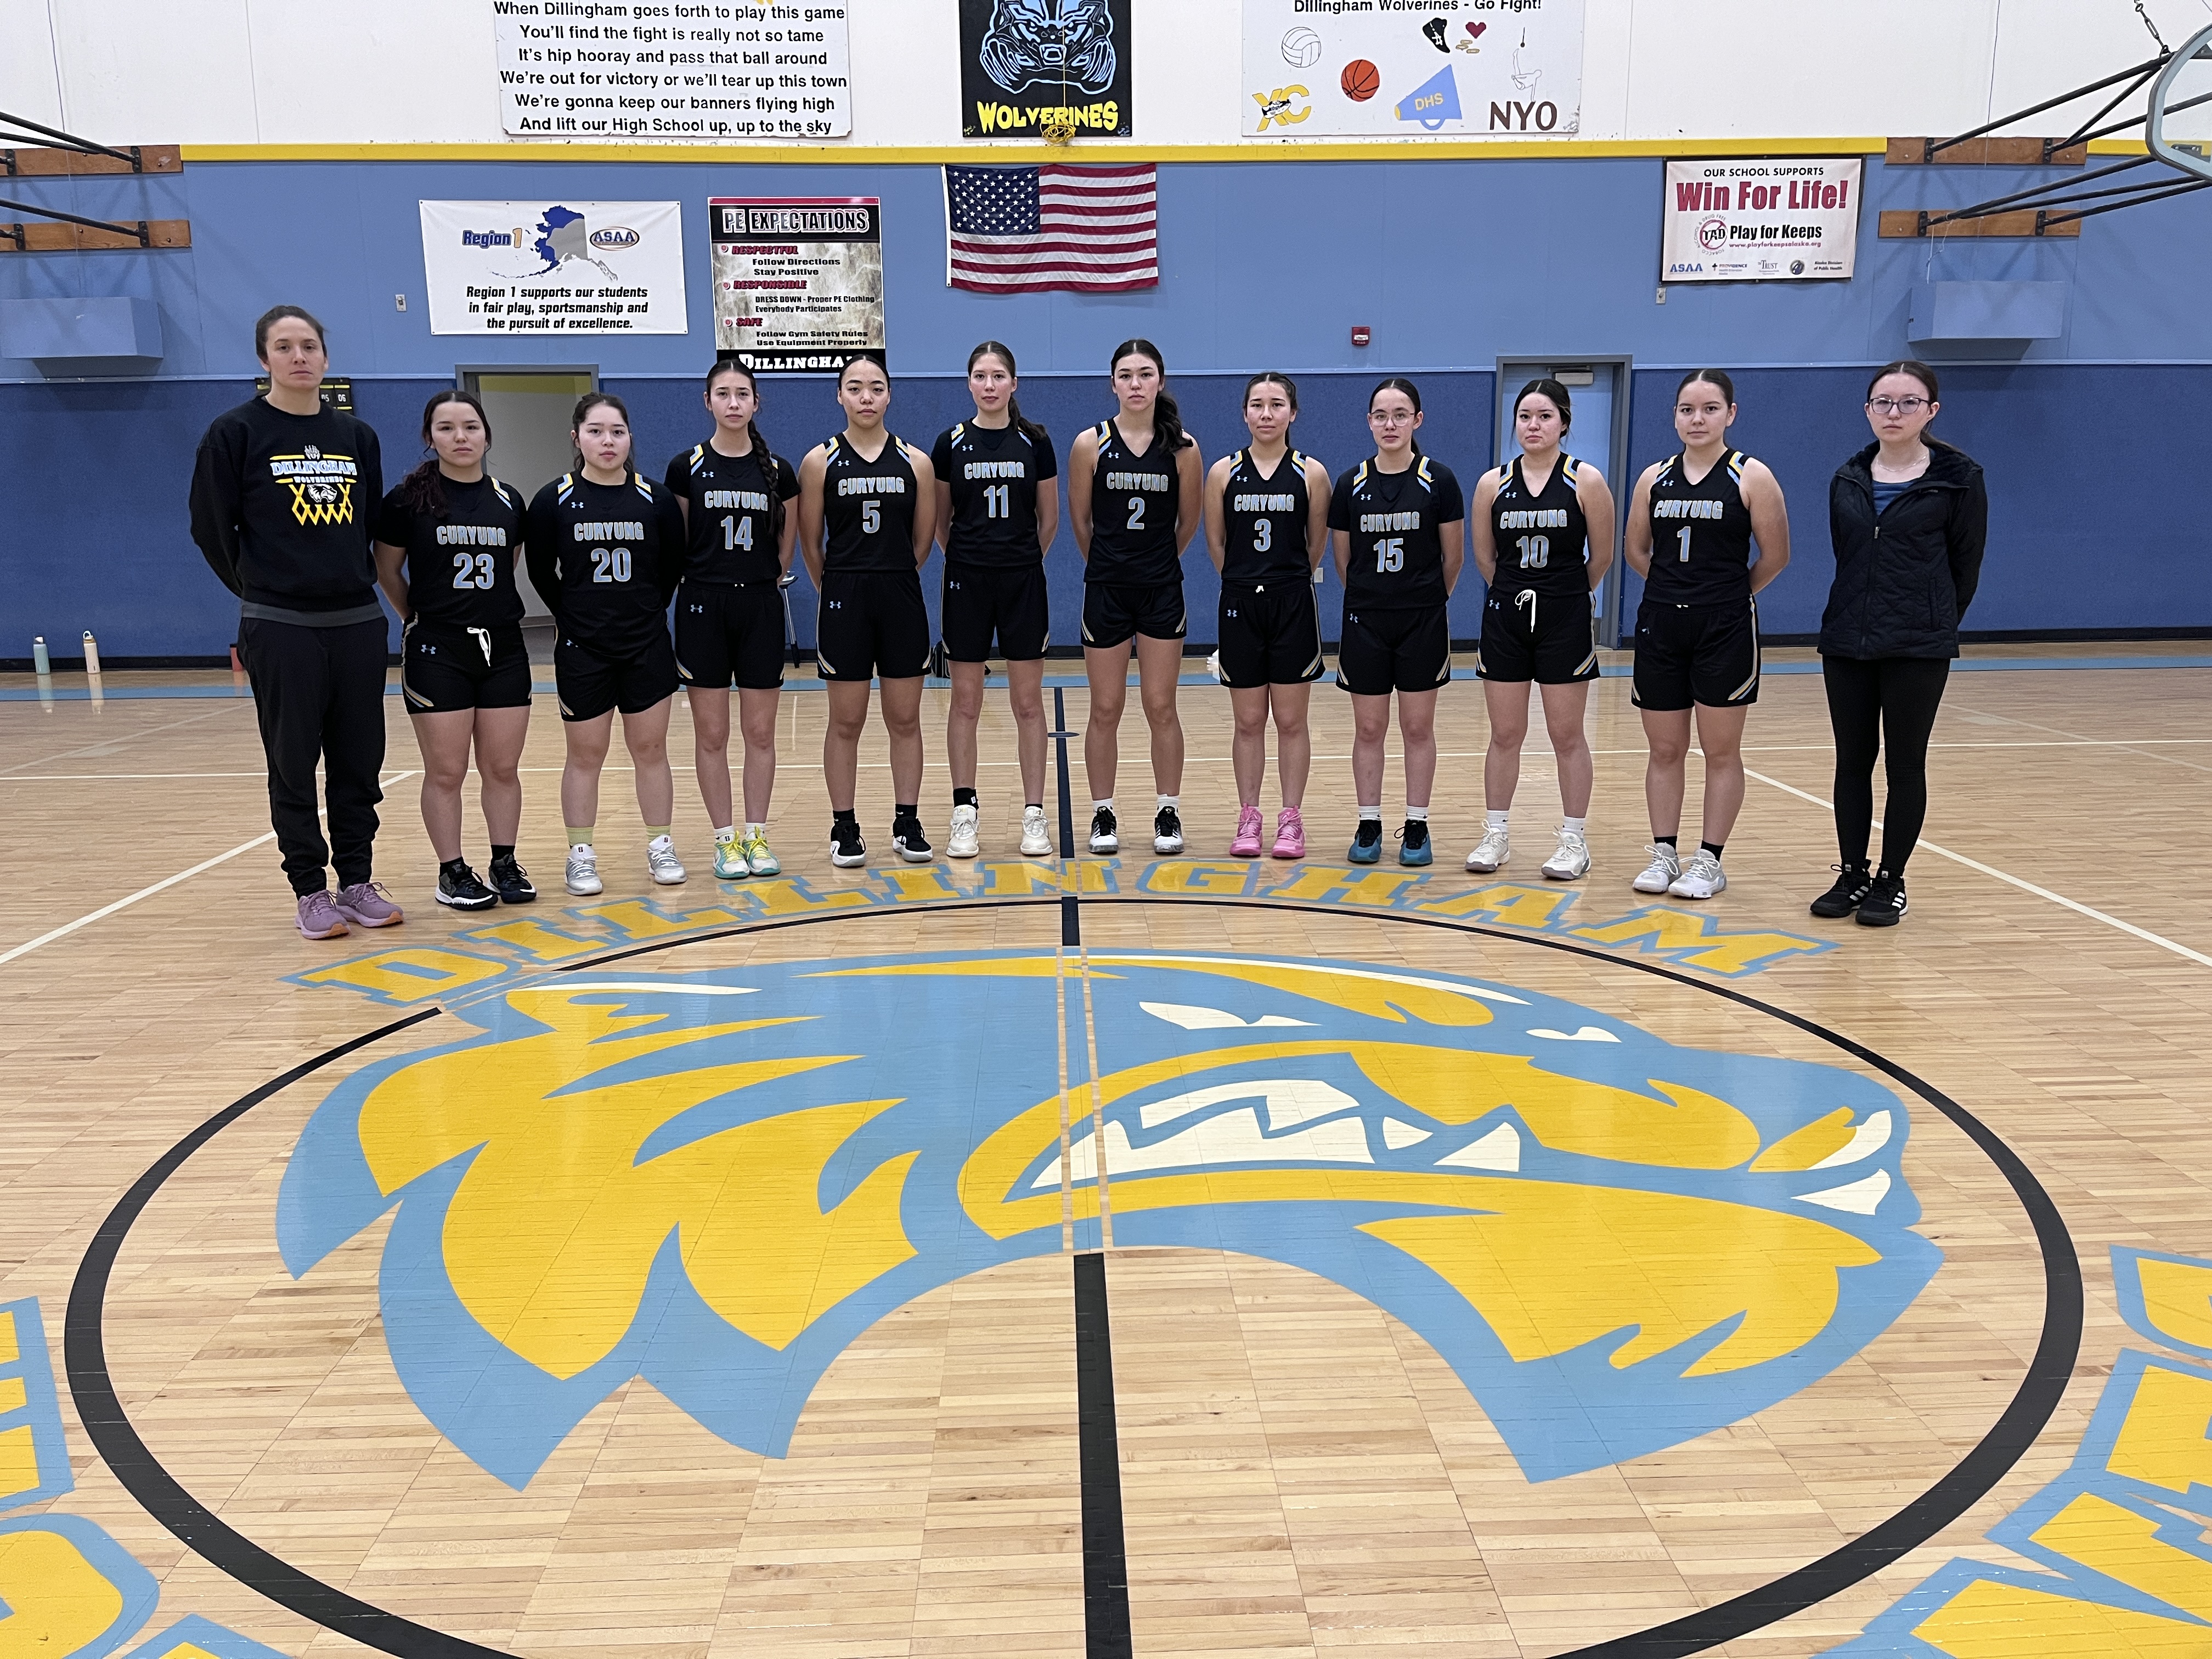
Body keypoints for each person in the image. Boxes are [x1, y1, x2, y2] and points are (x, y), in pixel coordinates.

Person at [190, 304, 402, 940]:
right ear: (264, 360)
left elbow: (367, 526)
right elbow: (210, 528)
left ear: (326, 359)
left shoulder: (356, 438)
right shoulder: (235, 433)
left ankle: (357, 880)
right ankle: (310, 889)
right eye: (285, 347)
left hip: (357, 621)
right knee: (292, 760)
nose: (299, 356)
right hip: (280, 623)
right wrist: (259, 591)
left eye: (309, 345)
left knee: (359, 760)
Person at [1811, 360, 1987, 927]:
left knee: (1905, 764)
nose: (1894, 412)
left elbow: (1966, 566)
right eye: (1883, 402)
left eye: (1908, 402)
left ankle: (1892, 879)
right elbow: (1848, 556)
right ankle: (1851, 873)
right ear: (1867, 410)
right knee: (1851, 763)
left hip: (1919, 643)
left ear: (1931, 411)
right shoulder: (1848, 477)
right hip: (1847, 640)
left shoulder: (1960, 477)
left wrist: (1934, 622)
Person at [1622, 369, 1791, 900]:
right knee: (1665, 749)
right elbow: (1636, 552)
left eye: (1710, 409)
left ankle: (1709, 860)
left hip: (1724, 627)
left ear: (1730, 414)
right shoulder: (1654, 478)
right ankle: (1664, 853)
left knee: (1720, 750)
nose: (1697, 419)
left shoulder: (1751, 476)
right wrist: (1677, 588)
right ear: (1674, 415)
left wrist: (1726, 595)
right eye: (1687, 410)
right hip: (1661, 624)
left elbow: (1775, 556)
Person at [371, 390, 534, 911]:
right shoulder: (406, 500)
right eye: (446, 428)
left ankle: (504, 862)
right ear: (429, 437)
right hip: (437, 648)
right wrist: (417, 619)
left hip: (504, 646)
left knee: (502, 769)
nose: (460, 437)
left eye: (470, 427)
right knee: (447, 771)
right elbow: (387, 570)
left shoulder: (509, 499)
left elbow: (507, 564)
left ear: (487, 434)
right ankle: (452, 872)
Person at [524, 393, 688, 898]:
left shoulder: (654, 498)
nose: (607, 440)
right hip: (583, 648)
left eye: (617, 431)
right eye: (596, 431)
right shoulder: (553, 500)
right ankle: (580, 854)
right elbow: (540, 571)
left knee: (651, 749)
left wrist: (642, 612)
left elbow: (672, 568)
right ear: (577, 438)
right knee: (586, 753)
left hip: (645, 644)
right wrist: (573, 615)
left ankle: (660, 844)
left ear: (630, 438)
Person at [1464, 378, 1617, 881]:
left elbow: (1603, 556)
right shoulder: (1492, 484)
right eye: (1525, 416)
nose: (1534, 425)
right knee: (1505, 734)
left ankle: (1574, 839)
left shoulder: (1586, 480)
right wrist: (1514, 594)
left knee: (1566, 733)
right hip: (1506, 617)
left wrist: (1565, 595)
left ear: (1565, 423)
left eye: (1545, 416)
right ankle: (1496, 834)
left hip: (1564, 618)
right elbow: (1486, 559)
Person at [797, 353, 939, 868]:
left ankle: (907, 821)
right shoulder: (819, 462)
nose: (865, 397)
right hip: (845, 598)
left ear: (889, 395)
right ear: (840, 396)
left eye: (875, 388)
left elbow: (923, 541)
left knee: (905, 718)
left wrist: (891, 575)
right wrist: (835, 587)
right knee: (846, 720)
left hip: (900, 595)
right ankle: (845, 825)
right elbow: (811, 543)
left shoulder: (916, 462)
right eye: (854, 388)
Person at [1068, 338, 1204, 856]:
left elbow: (1187, 523)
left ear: (1161, 382)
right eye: (1126, 375)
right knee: (1105, 707)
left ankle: (1167, 809)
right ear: (1113, 384)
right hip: (1106, 589)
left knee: (1160, 705)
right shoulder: (1090, 444)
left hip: (1161, 589)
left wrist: (1154, 563)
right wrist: (1109, 564)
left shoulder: (1183, 448)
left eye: (1145, 374)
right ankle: (1104, 812)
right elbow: (1082, 522)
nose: (1136, 384)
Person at [667, 361, 800, 881]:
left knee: (760, 731)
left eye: (743, 394)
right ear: (708, 402)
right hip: (702, 605)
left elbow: (785, 551)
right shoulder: (687, 467)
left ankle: (757, 835)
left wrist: (761, 582)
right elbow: (677, 544)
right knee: (712, 733)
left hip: (760, 606)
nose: (734, 403)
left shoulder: (778, 472)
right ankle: (725, 840)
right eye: (723, 394)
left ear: (756, 402)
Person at [1328, 377, 1464, 868]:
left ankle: (1417, 824)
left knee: (1417, 727)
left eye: (1400, 414)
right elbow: (1344, 563)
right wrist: (1373, 599)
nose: (1391, 424)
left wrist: (1424, 602)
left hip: (1422, 621)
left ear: (1417, 421)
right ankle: (1368, 822)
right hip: (1365, 621)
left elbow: (1454, 558)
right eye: (1381, 415)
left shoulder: (1439, 481)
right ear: (1369, 422)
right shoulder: (1350, 484)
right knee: (1368, 727)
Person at [932, 341, 1058, 861]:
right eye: (980, 376)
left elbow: (1047, 520)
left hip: (1022, 581)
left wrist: (1020, 560)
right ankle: (965, 812)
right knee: (966, 702)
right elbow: (941, 523)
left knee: (1028, 704)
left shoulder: (1035, 442)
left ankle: (1034, 815)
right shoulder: (951, 443)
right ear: (969, 384)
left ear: (1014, 384)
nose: (989, 385)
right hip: (967, 581)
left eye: (998, 375)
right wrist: (971, 561)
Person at [1201, 371, 1330, 859]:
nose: (1267, 414)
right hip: (1240, 602)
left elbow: (1314, 545)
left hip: (1292, 601)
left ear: (1292, 414)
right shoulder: (1223, 472)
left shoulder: (1310, 473)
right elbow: (1217, 543)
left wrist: (1286, 580)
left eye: (1277, 405)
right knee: (1249, 720)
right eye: (1258, 405)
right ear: (1245, 413)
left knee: (1292, 721)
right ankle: (1249, 815)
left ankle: (1291, 819)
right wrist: (1241, 581)